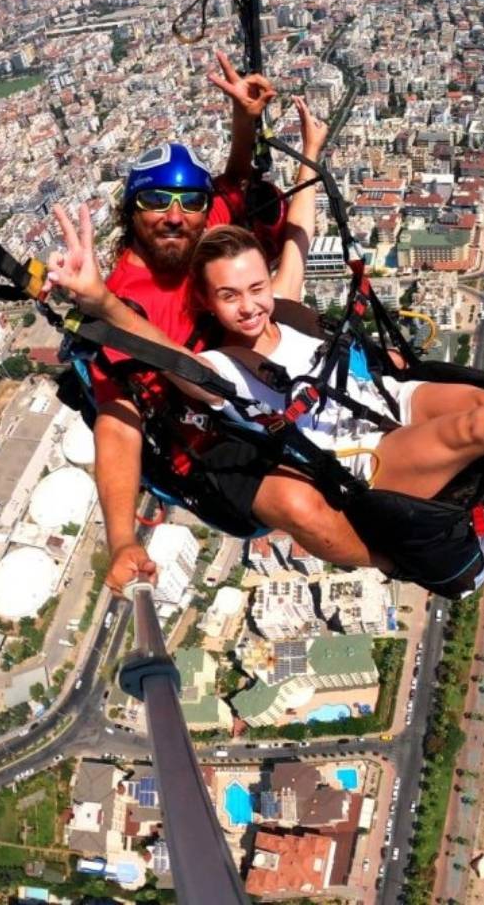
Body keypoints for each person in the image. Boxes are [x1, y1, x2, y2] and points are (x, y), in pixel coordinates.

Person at [48, 196, 484, 593]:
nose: (250, 306)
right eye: (229, 296)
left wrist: (307, 152)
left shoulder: (289, 311)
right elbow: (155, 352)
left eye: (254, 288)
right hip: (366, 463)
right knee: (475, 432)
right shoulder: (221, 372)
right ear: (208, 301)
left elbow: (298, 239)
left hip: (389, 401)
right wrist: (100, 297)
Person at [79, 52, 328, 592]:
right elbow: (117, 419)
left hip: (266, 364)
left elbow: (235, 181)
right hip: (218, 423)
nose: (174, 214)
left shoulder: (199, 224)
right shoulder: (123, 300)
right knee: (303, 504)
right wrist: (121, 538)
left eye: (188, 200)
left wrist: (246, 122)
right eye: (155, 201)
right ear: (130, 211)